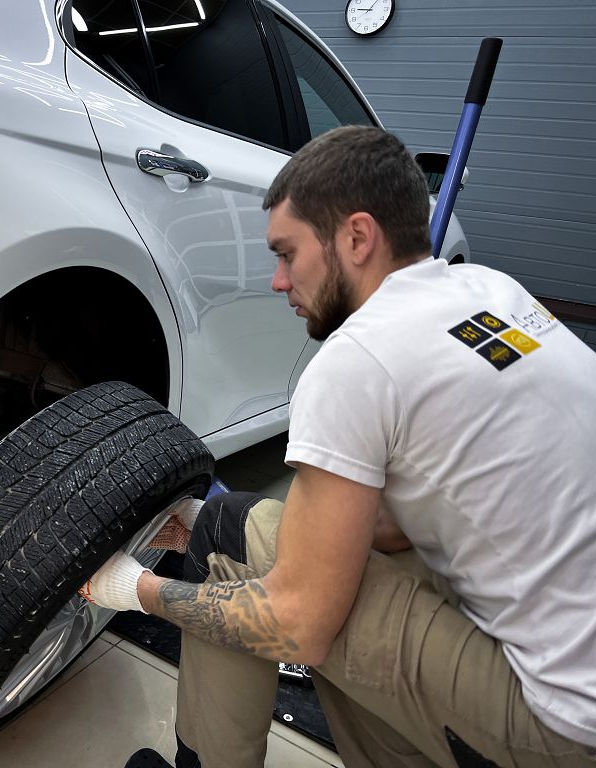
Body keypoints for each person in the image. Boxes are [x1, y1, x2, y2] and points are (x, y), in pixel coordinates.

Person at [80, 125, 596, 768]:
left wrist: (135, 590)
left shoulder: (357, 359)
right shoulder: (495, 292)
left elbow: (297, 625)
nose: (277, 280)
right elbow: (401, 527)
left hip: (562, 725)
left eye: (287, 253)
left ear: (356, 237)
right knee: (293, 553)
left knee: (239, 543)